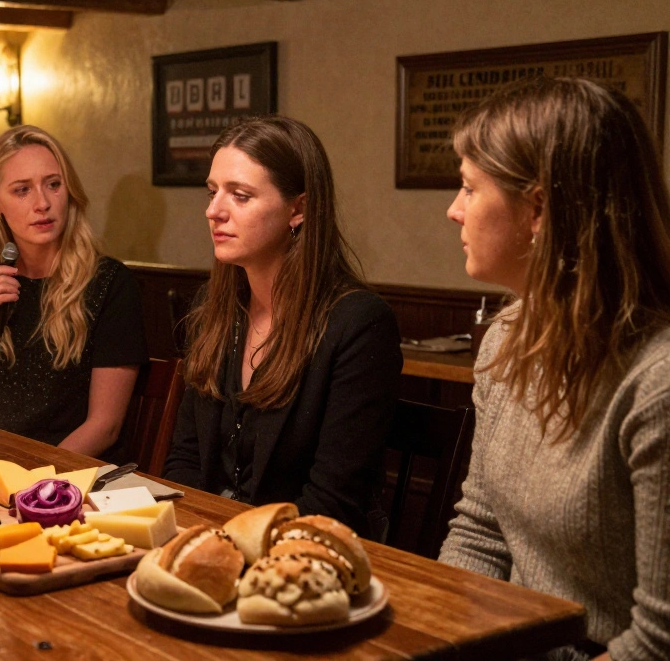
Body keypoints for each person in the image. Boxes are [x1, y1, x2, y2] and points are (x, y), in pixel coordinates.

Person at [438, 77, 670, 661]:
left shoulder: (657, 382)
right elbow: (480, 532)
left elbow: (658, 641)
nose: (454, 210)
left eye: (469, 188)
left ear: (538, 209)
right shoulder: (506, 340)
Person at [161, 116, 401, 539]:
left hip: (304, 553)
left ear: (299, 209)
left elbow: (333, 502)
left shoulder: (357, 323)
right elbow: (184, 460)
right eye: (213, 192)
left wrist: (230, 545)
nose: (214, 211)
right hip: (210, 542)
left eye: (240, 195)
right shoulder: (214, 308)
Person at [0, 125, 147, 458]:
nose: (43, 203)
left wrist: (34, 476)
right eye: (22, 190)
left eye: (53, 184)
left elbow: (105, 426)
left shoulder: (109, 283)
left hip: (67, 471)